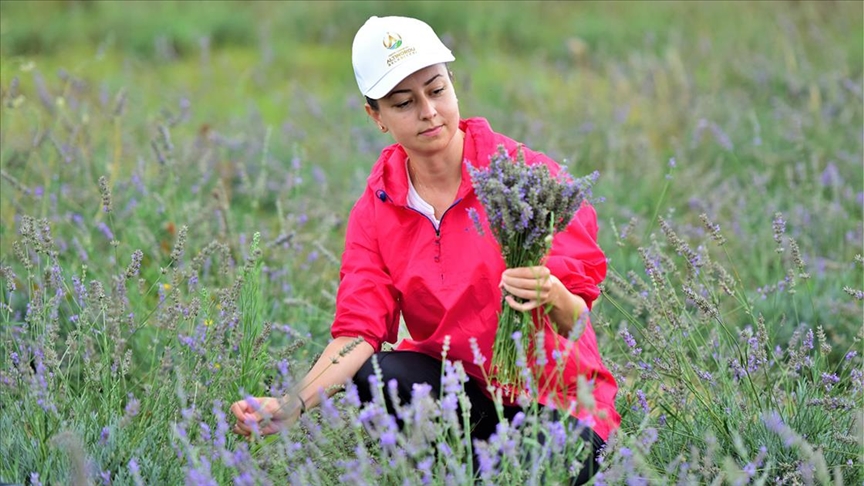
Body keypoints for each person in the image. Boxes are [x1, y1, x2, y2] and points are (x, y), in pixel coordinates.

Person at [230, 15, 620, 484]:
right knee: (380, 374)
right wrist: (292, 404)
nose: (429, 111)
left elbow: (577, 320)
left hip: (559, 404)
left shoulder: (528, 178)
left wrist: (551, 292)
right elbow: (358, 332)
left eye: (437, 90)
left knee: (534, 470)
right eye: (404, 102)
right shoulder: (376, 209)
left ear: (452, 84)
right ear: (376, 116)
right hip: (466, 400)